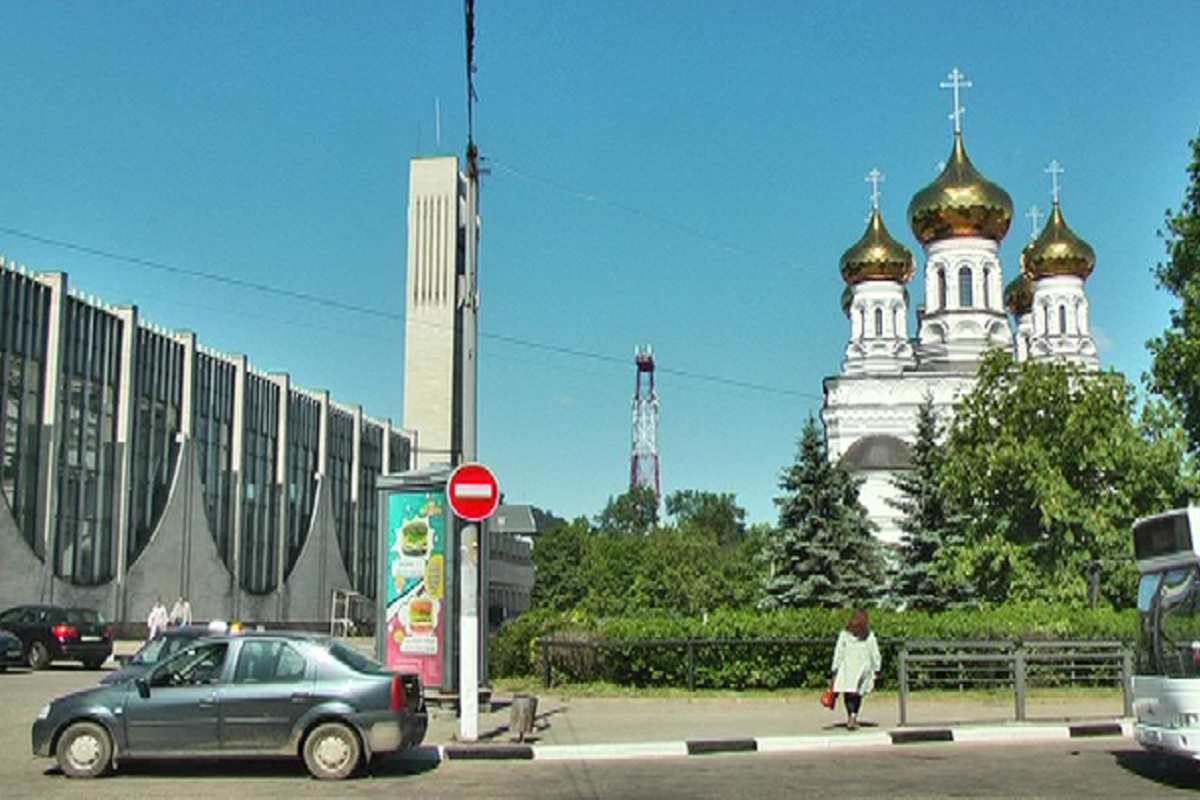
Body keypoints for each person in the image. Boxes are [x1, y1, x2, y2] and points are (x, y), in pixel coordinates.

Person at [829, 607, 882, 730]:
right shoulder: (868, 635)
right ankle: (854, 715)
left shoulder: (845, 634)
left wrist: (835, 668)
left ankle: (850, 715)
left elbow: (839, 652)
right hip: (863, 666)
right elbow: (875, 652)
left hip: (848, 667)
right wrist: (877, 667)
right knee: (858, 693)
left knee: (848, 693)